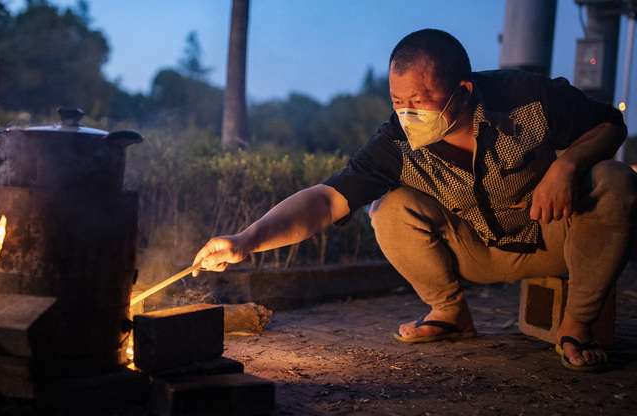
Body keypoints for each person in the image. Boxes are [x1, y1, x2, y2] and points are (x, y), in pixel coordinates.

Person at [193, 28, 637, 372]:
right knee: (390, 207)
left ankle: (578, 325)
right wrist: (245, 240)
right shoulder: (396, 142)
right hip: (479, 252)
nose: (408, 114)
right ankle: (450, 313)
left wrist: (567, 167)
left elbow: (609, 124)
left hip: (554, 234)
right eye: (397, 100)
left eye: (420, 100)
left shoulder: (527, 98)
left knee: (614, 181)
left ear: (463, 90)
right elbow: (326, 200)